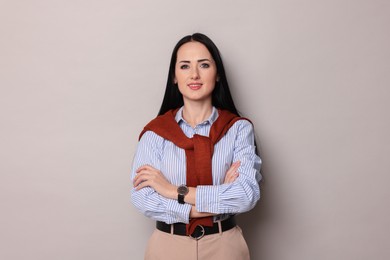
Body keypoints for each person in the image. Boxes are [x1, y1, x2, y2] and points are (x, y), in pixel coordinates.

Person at [131, 33, 262, 260]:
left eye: (204, 65)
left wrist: (173, 191)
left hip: (224, 246)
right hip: (167, 247)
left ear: (217, 73)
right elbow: (143, 199)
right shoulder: (155, 132)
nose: (194, 75)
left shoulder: (238, 130)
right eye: (184, 66)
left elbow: (246, 194)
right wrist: (215, 201)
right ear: (174, 76)